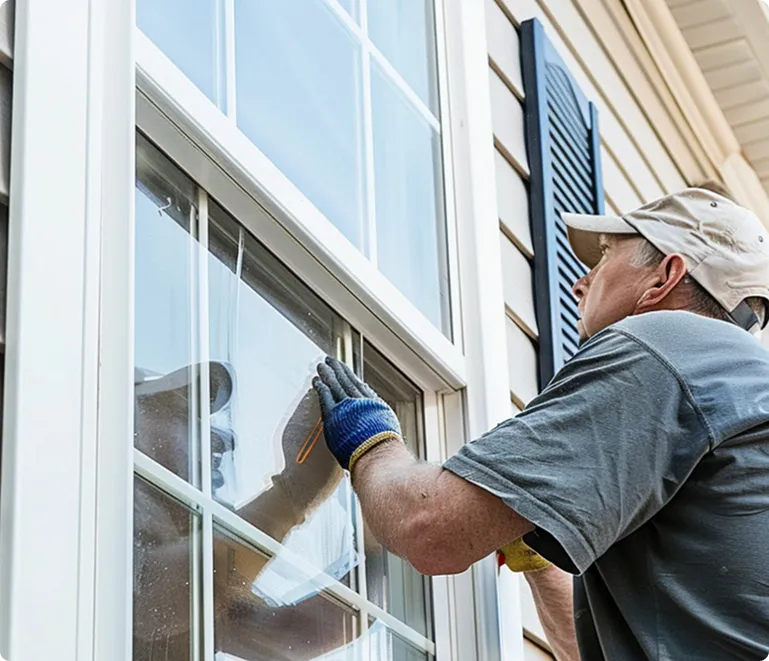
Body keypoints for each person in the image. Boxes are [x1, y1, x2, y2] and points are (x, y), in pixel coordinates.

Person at [312, 187, 769, 660]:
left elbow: (429, 530)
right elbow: (584, 653)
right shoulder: (734, 386)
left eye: (605, 258)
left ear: (665, 277)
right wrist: (530, 537)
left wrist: (371, 441)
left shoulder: (668, 345)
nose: (580, 282)